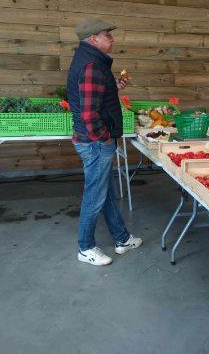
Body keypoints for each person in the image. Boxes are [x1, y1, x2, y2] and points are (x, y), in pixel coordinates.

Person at [66, 18, 142, 266]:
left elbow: (95, 96)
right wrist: (104, 138)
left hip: (94, 141)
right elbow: (89, 114)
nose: (112, 38)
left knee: (106, 190)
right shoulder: (92, 65)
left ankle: (122, 238)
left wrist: (114, 86)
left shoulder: (92, 61)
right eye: (107, 35)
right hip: (95, 142)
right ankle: (85, 247)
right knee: (95, 195)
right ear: (93, 39)